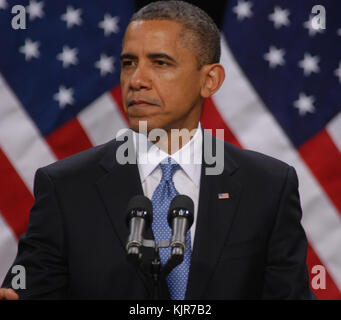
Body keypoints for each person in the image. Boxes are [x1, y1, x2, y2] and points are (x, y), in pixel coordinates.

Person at [0, 1, 314, 299]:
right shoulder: (66, 187)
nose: (136, 80)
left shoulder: (268, 186)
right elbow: (27, 290)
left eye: (160, 63)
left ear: (210, 80)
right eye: (128, 63)